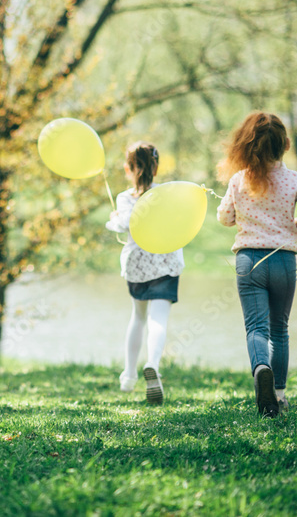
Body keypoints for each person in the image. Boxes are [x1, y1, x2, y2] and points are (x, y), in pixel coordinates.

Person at [217, 112, 297, 418]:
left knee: (256, 328)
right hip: (284, 260)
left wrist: (242, 216)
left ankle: (260, 367)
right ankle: (278, 393)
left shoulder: (239, 180)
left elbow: (224, 217)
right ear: (286, 144)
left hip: (249, 260)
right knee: (280, 329)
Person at [106, 142, 183, 405]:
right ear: (157, 167)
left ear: (128, 169)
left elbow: (124, 223)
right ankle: (153, 364)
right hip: (165, 261)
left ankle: (128, 376)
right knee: (158, 318)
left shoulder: (124, 198)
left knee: (137, 317)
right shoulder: (165, 193)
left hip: (137, 264)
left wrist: (112, 219)